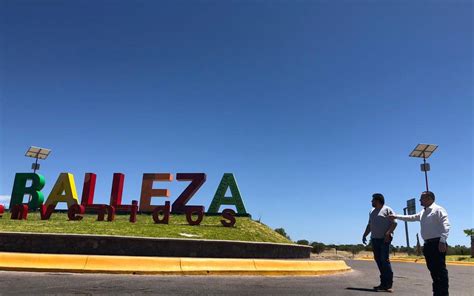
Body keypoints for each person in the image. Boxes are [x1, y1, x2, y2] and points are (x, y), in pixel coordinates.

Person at [390, 191, 450, 296]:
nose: (419, 200)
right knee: (433, 272)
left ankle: (443, 294)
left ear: (429, 198)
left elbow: (446, 225)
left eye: (421, 198)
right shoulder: (423, 212)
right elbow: (411, 217)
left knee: (440, 272)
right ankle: (437, 293)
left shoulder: (438, 210)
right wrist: (396, 216)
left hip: (437, 243)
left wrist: (443, 240)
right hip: (428, 245)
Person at [362, 193, 397, 292]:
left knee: (384, 260)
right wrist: (365, 235)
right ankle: (383, 284)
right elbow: (370, 225)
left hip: (384, 239)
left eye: (373, 200)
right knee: (378, 261)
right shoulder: (372, 211)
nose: (371, 202)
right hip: (374, 239)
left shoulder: (387, 210)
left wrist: (388, 233)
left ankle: (389, 285)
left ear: (378, 200)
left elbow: (394, 223)